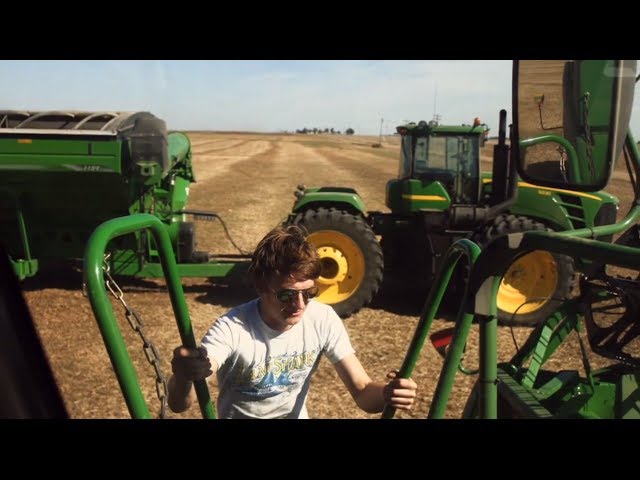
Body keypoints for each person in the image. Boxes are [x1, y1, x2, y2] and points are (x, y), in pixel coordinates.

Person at [168, 225, 418, 419]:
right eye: (287, 294)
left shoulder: (322, 318)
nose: (300, 305)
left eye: (309, 293)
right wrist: (184, 375)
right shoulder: (233, 328)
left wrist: (387, 393)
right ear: (261, 287)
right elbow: (181, 403)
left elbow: (363, 391)